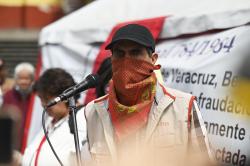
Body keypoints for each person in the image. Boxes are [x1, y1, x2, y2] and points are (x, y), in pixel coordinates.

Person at [83, 24, 214, 166]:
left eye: (135, 53)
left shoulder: (183, 106)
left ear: (153, 59)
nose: (127, 60)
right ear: (112, 58)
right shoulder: (94, 111)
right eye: (120, 54)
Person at [22, 68, 86, 166]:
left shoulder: (84, 119)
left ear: (65, 96)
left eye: (47, 99)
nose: (43, 104)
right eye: (41, 99)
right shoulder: (51, 120)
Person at [3, 62, 35, 150]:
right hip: (12, 140)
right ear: (16, 79)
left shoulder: (36, 97)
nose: (23, 82)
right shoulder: (8, 95)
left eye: (27, 78)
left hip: (31, 138)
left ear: (32, 80)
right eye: (20, 78)